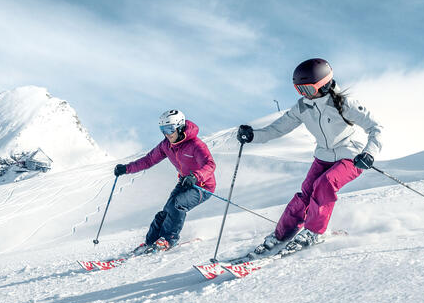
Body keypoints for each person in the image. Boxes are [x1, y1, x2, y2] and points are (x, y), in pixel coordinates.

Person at [236, 58, 382, 256]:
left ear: (324, 85)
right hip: (323, 156)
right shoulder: (303, 107)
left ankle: (314, 232)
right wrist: (254, 135)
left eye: (308, 90)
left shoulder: (344, 104)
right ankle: (281, 235)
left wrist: (369, 153)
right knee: (305, 194)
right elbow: (277, 129)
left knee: (325, 183)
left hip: (351, 156)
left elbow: (376, 128)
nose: (305, 95)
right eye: (300, 90)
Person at [115, 109, 216, 254]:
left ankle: (169, 239)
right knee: (166, 212)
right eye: (163, 130)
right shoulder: (166, 145)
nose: (167, 134)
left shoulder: (195, 145)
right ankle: (151, 242)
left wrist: (196, 176)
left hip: (202, 185)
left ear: (180, 127)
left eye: (170, 129)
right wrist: (126, 169)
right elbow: (149, 160)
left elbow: (210, 165)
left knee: (177, 205)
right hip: (184, 182)